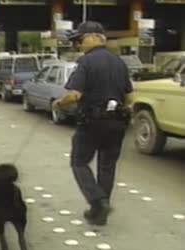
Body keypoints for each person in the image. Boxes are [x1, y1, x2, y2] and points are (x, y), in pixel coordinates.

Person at [52, 21, 133, 226]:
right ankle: (100, 212)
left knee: (79, 162)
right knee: (107, 166)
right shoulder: (119, 62)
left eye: (80, 39)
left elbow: (74, 95)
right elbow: (129, 95)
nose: (78, 44)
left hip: (92, 122)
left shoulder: (86, 62)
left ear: (97, 37)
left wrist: (59, 104)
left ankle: (97, 201)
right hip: (117, 122)